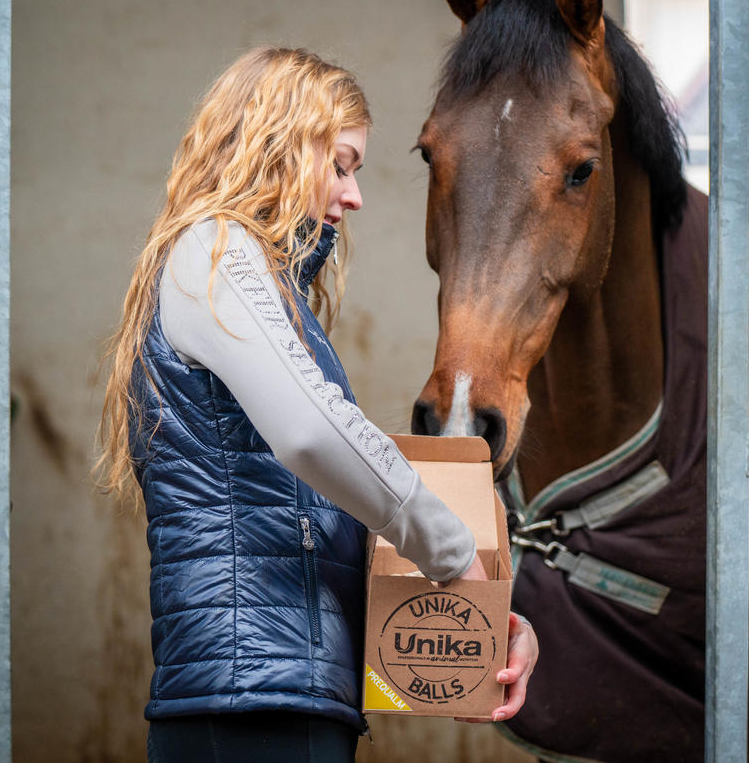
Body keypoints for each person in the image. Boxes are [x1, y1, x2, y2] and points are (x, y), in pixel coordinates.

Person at [97, 47, 539, 763]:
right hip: (251, 703)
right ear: (277, 144)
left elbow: (313, 523)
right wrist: (453, 555)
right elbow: (313, 434)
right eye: (340, 163)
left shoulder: (259, 287)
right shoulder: (215, 254)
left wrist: (480, 618)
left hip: (274, 693)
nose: (353, 196)